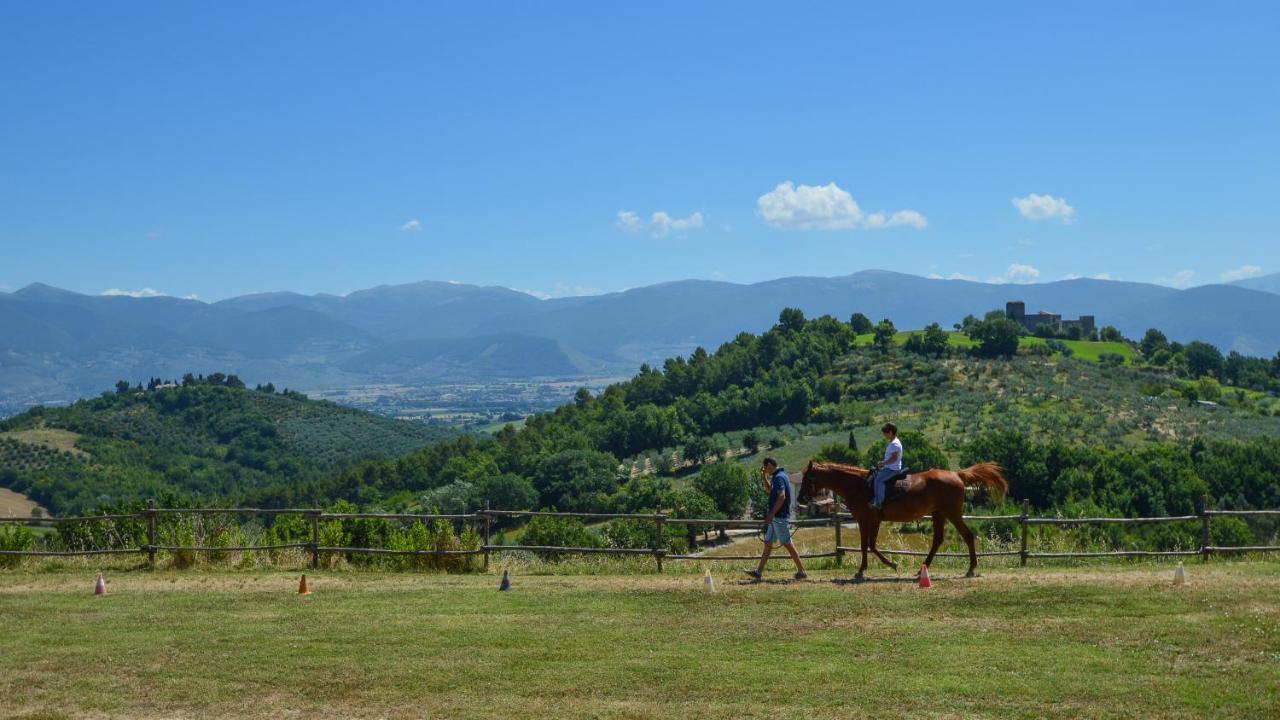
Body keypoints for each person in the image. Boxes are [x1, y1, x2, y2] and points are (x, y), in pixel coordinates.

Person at [744, 457, 807, 581]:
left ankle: (802, 571)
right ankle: (758, 572)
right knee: (768, 544)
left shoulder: (778, 477)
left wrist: (771, 514)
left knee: (787, 544)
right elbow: (769, 491)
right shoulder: (780, 476)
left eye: (765, 468)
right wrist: (764, 478)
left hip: (778, 517)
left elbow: (781, 496)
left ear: (769, 465)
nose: (765, 470)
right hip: (777, 518)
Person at [869, 423, 903, 510]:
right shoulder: (893, 442)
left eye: (885, 433)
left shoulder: (894, 444)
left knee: (878, 480)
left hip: (893, 469)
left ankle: (879, 502)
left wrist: (883, 463)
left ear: (890, 432)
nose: (884, 435)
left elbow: (894, 459)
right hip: (890, 467)